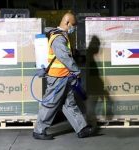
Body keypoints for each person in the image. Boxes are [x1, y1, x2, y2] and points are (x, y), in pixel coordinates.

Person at [33, 12, 95, 140]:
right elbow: (64, 57)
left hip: (65, 77)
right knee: (51, 103)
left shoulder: (62, 36)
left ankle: (81, 128)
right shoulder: (58, 38)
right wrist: (76, 71)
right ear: (67, 23)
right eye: (72, 25)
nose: (73, 28)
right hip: (57, 78)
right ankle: (39, 131)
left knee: (69, 103)